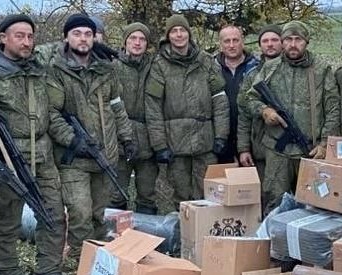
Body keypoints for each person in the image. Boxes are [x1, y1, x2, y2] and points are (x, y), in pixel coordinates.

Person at [0, 14, 69, 275]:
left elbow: (64, 44)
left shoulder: (38, 66)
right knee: (8, 217)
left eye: (30, 36)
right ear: (3, 38)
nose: (26, 42)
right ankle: (7, 270)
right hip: (10, 155)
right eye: (19, 36)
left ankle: (48, 268)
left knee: (53, 212)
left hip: (42, 152)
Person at [44, 14, 135, 261]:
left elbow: (117, 106)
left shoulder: (106, 69)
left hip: (105, 153)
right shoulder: (57, 70)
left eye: (88, 34)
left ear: (94, 37)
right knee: (80, 212)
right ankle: (79, 258)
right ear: (66, 37)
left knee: (98, 212)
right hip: (74, 158)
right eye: (77, 34)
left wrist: (127, 138)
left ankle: (97, 257)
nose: (83, 39)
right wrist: (73, 140)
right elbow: (52, 113)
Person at [243, 20, 339, 211]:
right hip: (277, 150)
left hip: (310, 150)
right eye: (288, 39)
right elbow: (250, 98)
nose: (293, 44)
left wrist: (324, 144)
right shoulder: (271, 68)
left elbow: (333, 108)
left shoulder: (321, 69)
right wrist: (265, 111)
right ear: (282, 41)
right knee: (274, 202)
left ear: (306, 42)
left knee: (315, 204)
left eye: (298, 39)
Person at [145, 14, 229, 207]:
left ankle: (206, 227)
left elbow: (219, 99)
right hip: (175, 144)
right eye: (174, 31)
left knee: (208, 196)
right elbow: (153, 107)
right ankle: (184, 226)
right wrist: (159, 145)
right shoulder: (159, 66)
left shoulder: (206, 61)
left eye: (182, 30)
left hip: (205, 142)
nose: (179, 35)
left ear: (189, 34)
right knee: (181, 199)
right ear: (168, 36)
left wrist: (221, 135)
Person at [110, 22, 162, 215]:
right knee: (116, 193)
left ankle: (145, 231)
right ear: (125, 42)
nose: (137, 43)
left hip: (149, 140)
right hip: (119, 141)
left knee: (147, 194)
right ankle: (115, 232)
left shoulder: (155, 67)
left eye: (142, 39)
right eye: (133, 38)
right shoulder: (113, 67)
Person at [237, 24, 283, 180]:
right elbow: (244, 114)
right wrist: (243, 149)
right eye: (265, 41)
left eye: (274, 40)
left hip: (293, 150)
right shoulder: (252, 76)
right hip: (261, 150)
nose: (270, 44)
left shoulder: (295, 72)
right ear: (260, 45)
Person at [215, 24, 260, 164]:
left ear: (243, 41)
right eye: (227, 41)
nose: (231, 45)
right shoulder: (211, 69)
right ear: (220, 44)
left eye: (235, 40)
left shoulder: (257, 68)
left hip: (252, 139)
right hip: (220, 141)